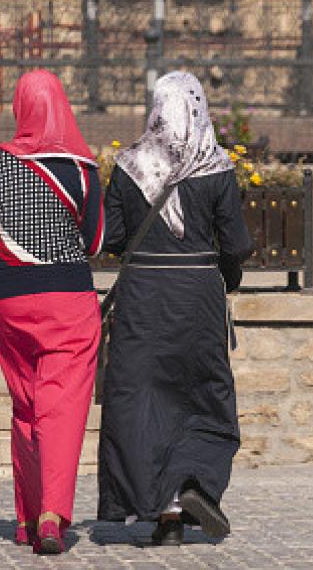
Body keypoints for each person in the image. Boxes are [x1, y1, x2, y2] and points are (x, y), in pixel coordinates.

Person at [97, 71, 253, 546]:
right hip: (199, 297)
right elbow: (238, 243)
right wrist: (226, 274)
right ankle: (190, 485)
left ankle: (162, 509)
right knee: (202, 394)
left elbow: (115, 239)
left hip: (144, 296)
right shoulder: (216, 166)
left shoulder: (128, 166)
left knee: (141, 399)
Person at [0, 70, 104, 555]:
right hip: (67, 298)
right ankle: (51, 515)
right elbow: (94, 242)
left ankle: (28, 516)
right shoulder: (80, 167)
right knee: (62, 406)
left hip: (8, 299)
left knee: (26, 405)